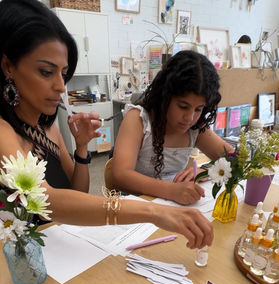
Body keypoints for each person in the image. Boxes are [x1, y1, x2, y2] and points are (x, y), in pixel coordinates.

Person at [0, 0, 213, 250]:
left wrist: (81, 149)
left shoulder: (45, 126)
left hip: (57, 247)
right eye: (47, 72)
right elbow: (47, 200)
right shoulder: (4, 130)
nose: (60, 86)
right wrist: (153, 211)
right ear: (7, 66)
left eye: (63, 73)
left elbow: (77, 191)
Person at [111, 50, 233, 206]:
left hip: (172, 207)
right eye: (183, 106)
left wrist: (208, 170)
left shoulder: (195, 127)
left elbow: (233, 157)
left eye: (198, 109)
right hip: (136, 208)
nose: (189, 118)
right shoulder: (138, 120)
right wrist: (171, 190)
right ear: (165, 96)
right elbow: (120, 175)